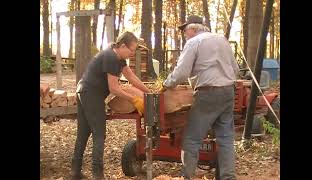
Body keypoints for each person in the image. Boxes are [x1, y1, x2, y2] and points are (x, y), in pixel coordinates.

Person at [160, 15, 239, 180]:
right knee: (225, 138)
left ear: (193, 29)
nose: (184, 35)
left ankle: (187, 176)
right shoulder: (222, 40)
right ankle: (228, 177)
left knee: (192, 138)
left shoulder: (194, 42)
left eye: (185, 31)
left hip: (208, 93)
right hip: (228, 91)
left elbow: (181, 73)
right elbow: (235, 69)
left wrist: (166, 85)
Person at [71, 31, 151, 180]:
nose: (133, 53)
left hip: (83, 91)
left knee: (83, 133)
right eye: (131, 49)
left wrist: (149, 92)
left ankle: (74, 172)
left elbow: (131, 77)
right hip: (91, 94)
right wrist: (134, 99)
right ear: (122, 46)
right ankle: (97, 175)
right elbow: (114, 88)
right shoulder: (111, 58)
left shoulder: (117, 57)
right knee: (99, 134)